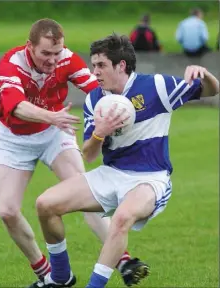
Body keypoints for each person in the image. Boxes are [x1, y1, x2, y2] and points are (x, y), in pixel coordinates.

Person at [31, 33, 219, 288]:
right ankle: (61, 277)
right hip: (111, 173)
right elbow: (88, 154)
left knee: (122, 218)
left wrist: (203, 73)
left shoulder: (157, 87)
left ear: (121, 65)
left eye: (100, 65)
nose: (94, 72)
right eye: (93, 65)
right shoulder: (95, 99)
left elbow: (211, 90)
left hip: (150, 178)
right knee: (45, 204)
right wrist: (100, 131)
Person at [0, 20, 137, 287]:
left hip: (54, 134)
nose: (52, 60)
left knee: (85, 193)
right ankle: (49, 276)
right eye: (45, 54)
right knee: (7, 211)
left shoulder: (67, 60)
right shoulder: (11, 63)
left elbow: (98, 89)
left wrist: (124, 106)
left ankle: (124, 260)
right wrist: (52, 117)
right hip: (14, 139)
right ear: (30, 47)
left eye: (56, 53)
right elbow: (15, 105)